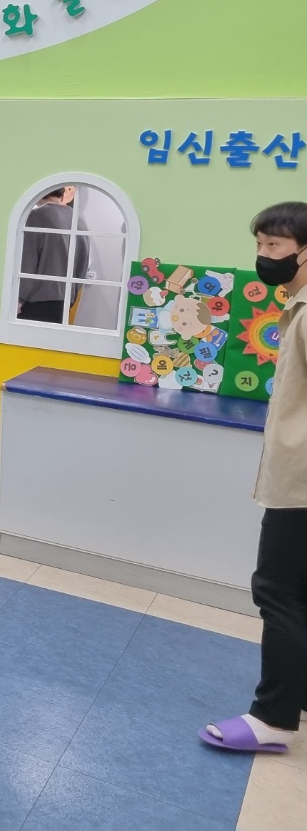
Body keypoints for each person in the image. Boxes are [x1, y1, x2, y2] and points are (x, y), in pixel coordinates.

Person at [202, 202, 307, 756]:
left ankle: (274, 718)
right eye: (260, 245)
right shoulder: (297, 306)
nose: (264, 256)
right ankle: (298, 696)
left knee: (277, 591)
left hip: (302, 486)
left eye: (275, 246)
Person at [18, 185, 90, 324]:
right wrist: (72, 293)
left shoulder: (36, 216)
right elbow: (83, 263)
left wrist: (19, 298)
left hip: (36, 298)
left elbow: (28, 261)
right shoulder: (78, 220)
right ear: (62, 194)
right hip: (65, 298)